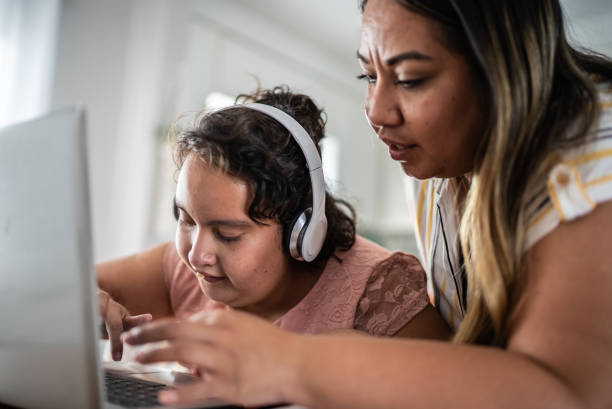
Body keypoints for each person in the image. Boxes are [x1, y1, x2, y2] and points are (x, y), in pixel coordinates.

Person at [122, 0, 612, 408]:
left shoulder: (594, 155)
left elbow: (569, 394)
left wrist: (296, 363)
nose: (376, 112)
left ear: (500, 67)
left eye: (412, 78)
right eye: (368, 76)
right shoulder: (435, 164)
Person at [97, 85, 449, 362]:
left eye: (228, 234)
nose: (196, 255)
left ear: (301, 232)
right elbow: (67, 288)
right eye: (185, 219)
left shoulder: (382, 291)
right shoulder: (186, 269)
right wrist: (79, 304)